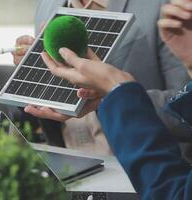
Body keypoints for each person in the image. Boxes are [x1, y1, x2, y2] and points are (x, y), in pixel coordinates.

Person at [35, 1, 192, 199]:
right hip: (70, 180)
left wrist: (119, 95)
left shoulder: (168, 7)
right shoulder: (47, 6)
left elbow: (184, 114)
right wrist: (32, 68)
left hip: (141, 182)